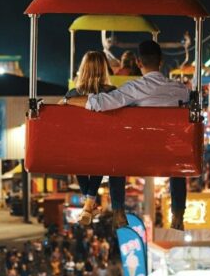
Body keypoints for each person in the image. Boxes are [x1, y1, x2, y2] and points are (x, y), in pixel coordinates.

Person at [65, 40, 190, 230]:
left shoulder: (134, 89)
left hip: (137, 155)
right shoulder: (181, 90)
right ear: (161, 62)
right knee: (177, 165)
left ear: (139, 63)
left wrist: (69, 101)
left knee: (116, 157)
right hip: (167, 154)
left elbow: (100, 103)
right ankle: (178, 214)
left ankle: (118, 211)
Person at [62, 51, 116, 225]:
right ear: (104, 69)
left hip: (78, 146)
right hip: (105, 144)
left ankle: (89, 204)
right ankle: (88, 206)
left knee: (80, 158)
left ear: (83, 70)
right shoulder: (112, 92)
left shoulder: (71, 95)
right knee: (100, 157)